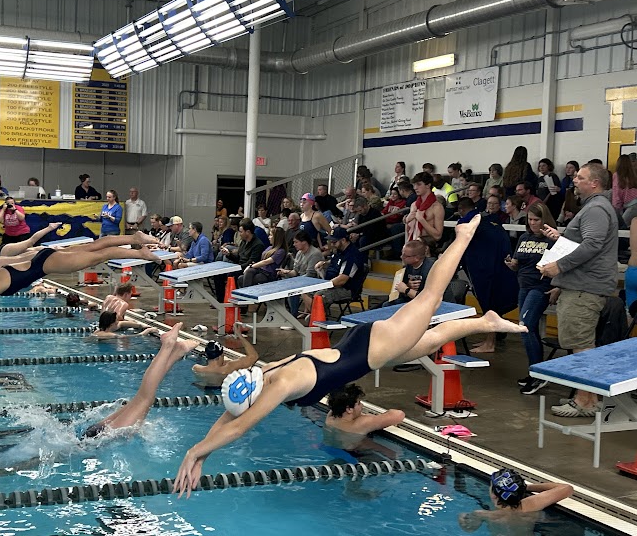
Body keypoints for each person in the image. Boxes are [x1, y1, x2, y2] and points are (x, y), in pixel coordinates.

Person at [172, 214, 528, 497]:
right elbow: (231, 415)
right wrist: (200, 449)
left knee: (430, 298)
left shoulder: (280, 385)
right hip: (363, 347)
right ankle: (485, 321)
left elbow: (241, 424)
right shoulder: (266, 372)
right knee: (430, 341)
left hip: (374, 347)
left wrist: (195, 454)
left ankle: (463, 236)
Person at [0, 232, 161, 360]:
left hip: (47, 263)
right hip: (41, 256)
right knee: (96, 246)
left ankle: (139, 251)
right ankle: (135, 237)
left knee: (99, 255)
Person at [540, 163, 619, 417]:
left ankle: (585, 400)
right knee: (580, 342)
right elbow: (583, 243)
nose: (574, 180)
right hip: (581, 285)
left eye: (580, 177)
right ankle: (588, 395)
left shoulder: (596, 209)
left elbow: (592, 245)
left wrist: (559, 267)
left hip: (586, 288)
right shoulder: (594, 207)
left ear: (594, 183)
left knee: (581, 344)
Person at [83, 323, 197, 437]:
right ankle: (176, 352)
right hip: (93, 433)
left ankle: (168, 345)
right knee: (141, 398)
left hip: (99, 439)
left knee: (144, 398)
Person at [504, 202, 556, 395]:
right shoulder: (524, 237)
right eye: (530, 220)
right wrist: (511, 264)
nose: (533, 223)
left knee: (525, 326)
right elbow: (518, 264)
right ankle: (535, 370)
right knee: (528, 327)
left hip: (540, 286)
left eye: (537, 220)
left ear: (545, 220)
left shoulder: (552, 240)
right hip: (523, 285)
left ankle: (538, 374)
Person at [458, 469, 573, 534]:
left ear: (494, 495)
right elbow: (567, 488)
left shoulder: (483, 514)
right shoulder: (529, 505)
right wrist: (526, 487)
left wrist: (461, 517)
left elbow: (468, 528)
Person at [300, 227, 364, 316]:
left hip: (346, 289)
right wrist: (324, 263)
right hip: (331, 283)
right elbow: (336, 262)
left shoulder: (352, 256)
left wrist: (324, 285)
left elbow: (342, 279)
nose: (332, 244)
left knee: (319, 296)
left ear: (343, 240)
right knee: (304, 290)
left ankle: (317, 316)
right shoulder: (339, 250)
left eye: (334, 242)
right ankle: (316, 315)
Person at [324, 384, 404, 449]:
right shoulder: (361, 423)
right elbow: (398, 415)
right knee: (392, 453)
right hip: (357, 456)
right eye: (359, 403)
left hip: (333, 450)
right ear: (349, 409)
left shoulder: (331, 417)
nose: (362, 405)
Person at [214, 219, 265, 303]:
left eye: (241, 232)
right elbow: (239, 258)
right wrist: (229, 254)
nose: (239, 234)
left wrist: (237, 267)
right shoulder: (243, 242)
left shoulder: (258, 245)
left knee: (232, 274)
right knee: (218, 274)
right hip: (239, 265)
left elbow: (252, 262)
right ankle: (221, 300)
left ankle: (238, 302)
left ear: (247, 232)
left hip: (249, 269)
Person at [192, 336, 260, 386]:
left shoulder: (197, 368)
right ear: (220, 356)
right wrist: (240, 336)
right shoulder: (228, 368)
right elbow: (253, 356)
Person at [387, 240, 434, 306]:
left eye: (405, 256)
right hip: (412, 300)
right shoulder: (407, 267)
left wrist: (406, 289)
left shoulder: (431, 270)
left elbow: (428, 298)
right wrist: (408, 285)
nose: (401, 257)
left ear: (417, 258)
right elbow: (399, 291)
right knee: (386, 305)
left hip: (428, 304)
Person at [405, 172, 444, 244]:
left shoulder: (437, 207)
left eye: (419, 184)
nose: (415, 188)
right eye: (414, 185)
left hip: (427, 246)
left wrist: (421, 220)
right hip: (413, 243)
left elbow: (438, 236)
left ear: (428, 185)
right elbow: (409, 229)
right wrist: (407, 220)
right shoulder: (414, 205)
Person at [90, 309, 160, 339]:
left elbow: (121, 324)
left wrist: (141, 326)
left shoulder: (98, 331)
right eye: (116, 320)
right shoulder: (111, 335)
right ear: (111, 324)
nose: (118, 322)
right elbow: (136, 336)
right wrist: (148, 331)